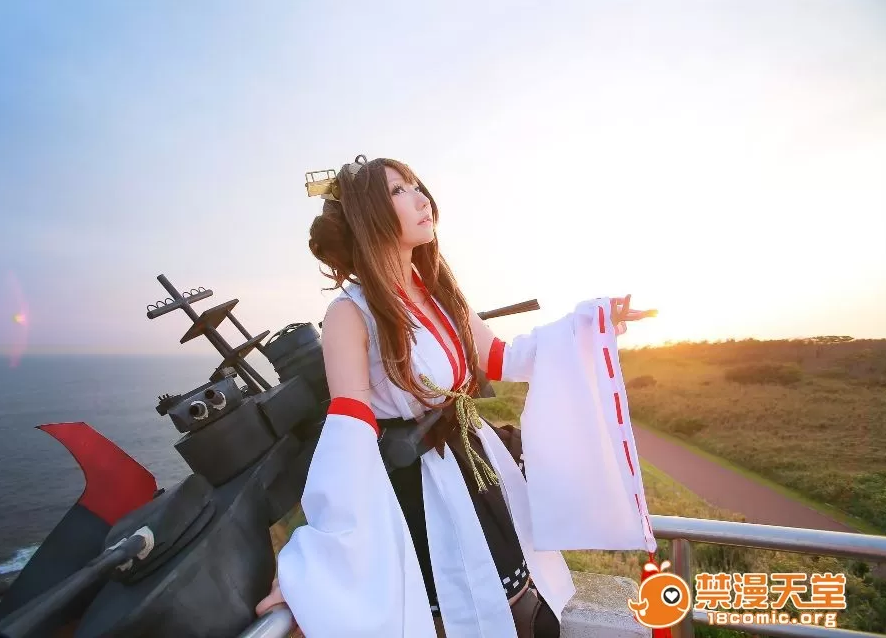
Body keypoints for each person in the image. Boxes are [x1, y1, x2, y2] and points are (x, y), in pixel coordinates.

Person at [256, 154, 659, 638]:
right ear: (368, 215)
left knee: (524, 608)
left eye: (415, 185)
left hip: (476, 464)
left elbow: (502, 358)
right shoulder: (350, 312)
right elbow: (350, 430)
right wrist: (319, 562)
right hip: (420, 486)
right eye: (398, 191)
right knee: (454, 618)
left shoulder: (439, 293)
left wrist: (589, 324)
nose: (421, 198)